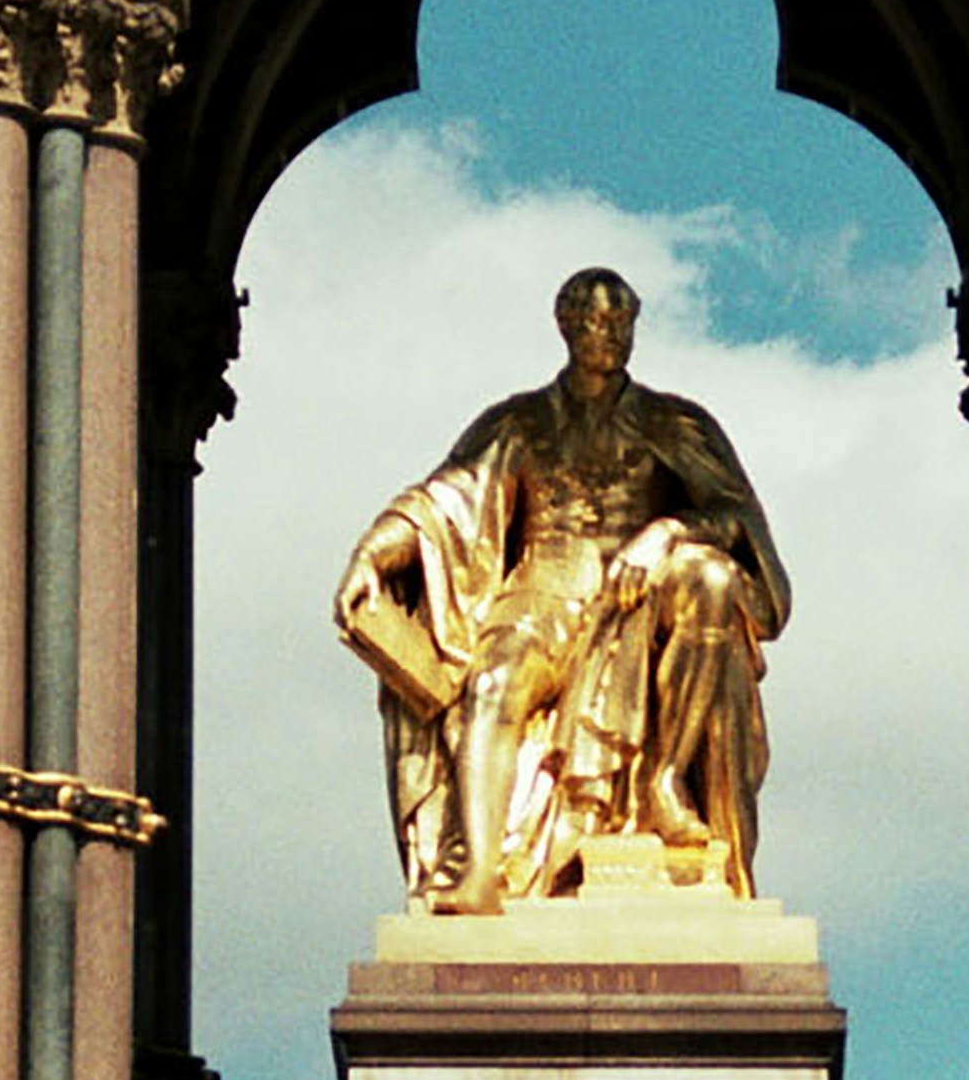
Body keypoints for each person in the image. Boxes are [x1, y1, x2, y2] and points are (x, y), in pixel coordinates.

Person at [336, 266, 788, 911]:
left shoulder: (675, 423)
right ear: (566, 326)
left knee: (711, 579)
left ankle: (663, 782)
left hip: (639, 602)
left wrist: (665, 531)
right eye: (594, 321)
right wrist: (372, 555)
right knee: (491, 685)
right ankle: (479, 872)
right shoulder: (519, 422)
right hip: (541, 594)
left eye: (620, 322)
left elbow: (738, 522)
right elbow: (443, 503)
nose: (608, 334)